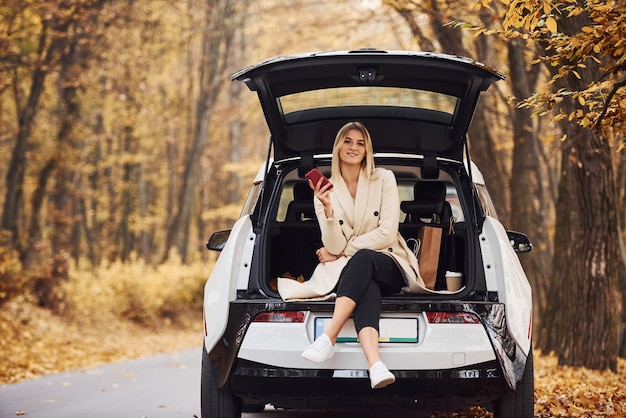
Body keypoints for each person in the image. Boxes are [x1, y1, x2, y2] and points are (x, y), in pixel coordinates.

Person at [299, 121, 425, 389]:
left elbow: (387, 233)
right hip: (356, 272)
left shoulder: (384, 178)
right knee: (366, 287)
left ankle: (328, 336)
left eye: (360, 143)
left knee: (364, 258)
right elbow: (331, 245)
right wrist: (328, 209)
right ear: (338, 147)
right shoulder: (325, 191)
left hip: (390, 262)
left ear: (367, 150)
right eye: (347, 141)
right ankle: (375, 364)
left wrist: (344, 250)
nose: (353, 147)